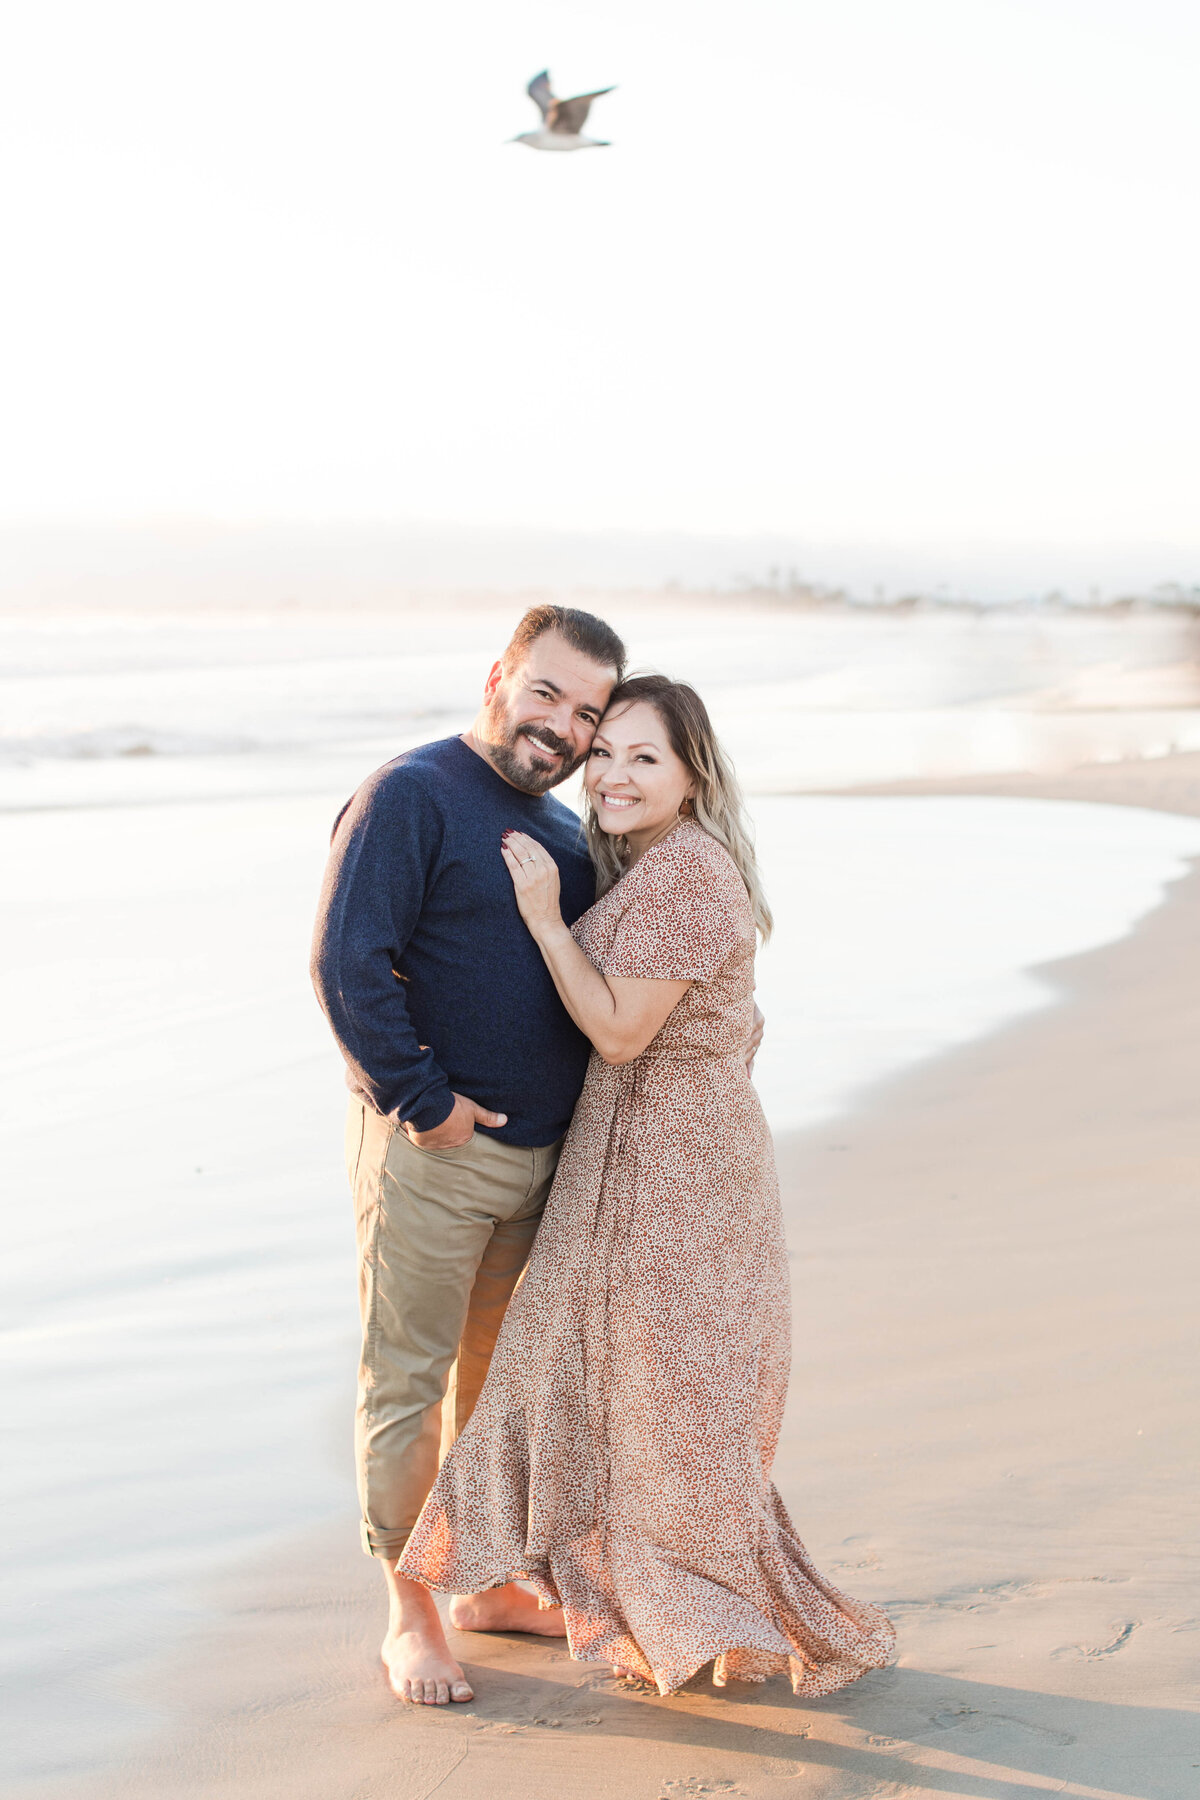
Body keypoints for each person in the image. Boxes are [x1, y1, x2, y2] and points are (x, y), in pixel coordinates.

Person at [400, 675, 896, 1698]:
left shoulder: (687, 874)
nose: (616, 776)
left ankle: (707, 1607)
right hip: (646, 1150)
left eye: (646, 758)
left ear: (691, 774)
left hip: (680, 1169)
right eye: (608, 752)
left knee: (677, 1400)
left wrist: (543, 918)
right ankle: (657, 1605)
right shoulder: (651, 864)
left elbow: (623, 1032)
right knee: (635, 1391)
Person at [310, 605, 629, 1706]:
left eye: (587, 711)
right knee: (407, 1380)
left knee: (492, 1391)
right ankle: (407, 1615)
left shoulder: (565, 833)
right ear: (499, 674)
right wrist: (422, 1101)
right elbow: (347, 962)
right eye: (547, 692)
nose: (562, 724)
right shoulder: (412, 794)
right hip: (435, 1156)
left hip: (544, 1161)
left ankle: (482, 1584)